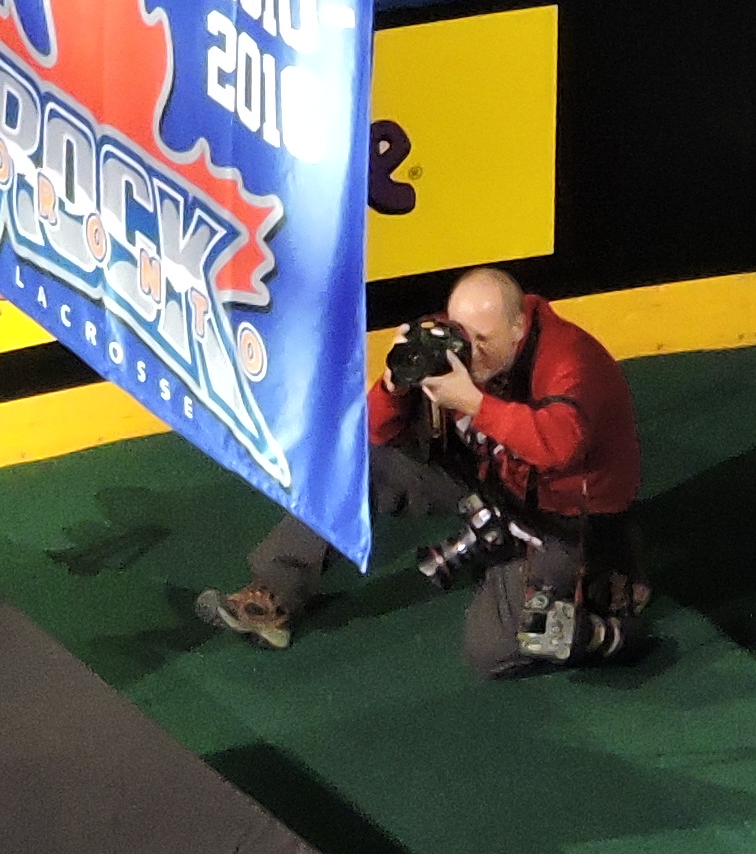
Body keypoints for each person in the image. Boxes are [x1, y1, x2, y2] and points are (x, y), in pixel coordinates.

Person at [196, 267, 639, 672]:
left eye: (483, 340)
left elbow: (558, 446)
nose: (470, 352)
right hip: (487, 481)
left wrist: (473, 403)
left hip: (561, 519)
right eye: (464, 336)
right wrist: (394, 385)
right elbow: (373, 431)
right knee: (362, 467)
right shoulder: (448, 341)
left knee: (493, 650)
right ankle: (275, 592)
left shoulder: (570, 362)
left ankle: (601, 619)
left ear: (518, 326)